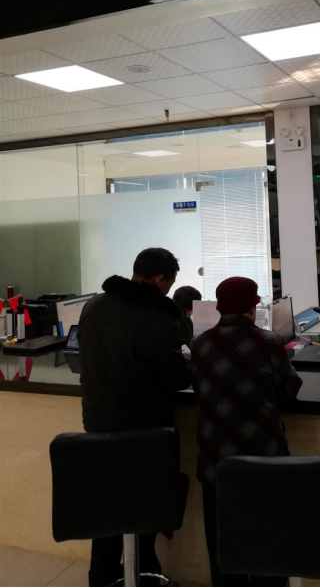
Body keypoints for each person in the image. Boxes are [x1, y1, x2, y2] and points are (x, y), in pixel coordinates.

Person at [79, 247, 191, 588]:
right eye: (170, 283)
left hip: (98, 425)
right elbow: (176, 377)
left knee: (107, 513)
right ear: (159, 280)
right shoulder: (155, 317)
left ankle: (102, 578)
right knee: (144, 513)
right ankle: (143, 574)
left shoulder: (94, 305)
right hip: (144, 432)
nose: (169, 291)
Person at [191, 277, 303, 587]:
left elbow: (198, 385)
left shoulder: (200, 344)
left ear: (219, 308)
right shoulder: (269, 342)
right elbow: (289, 389)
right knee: (269, 547)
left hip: (216, 462)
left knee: (224, 550)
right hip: (264, 459)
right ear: (252, 309)